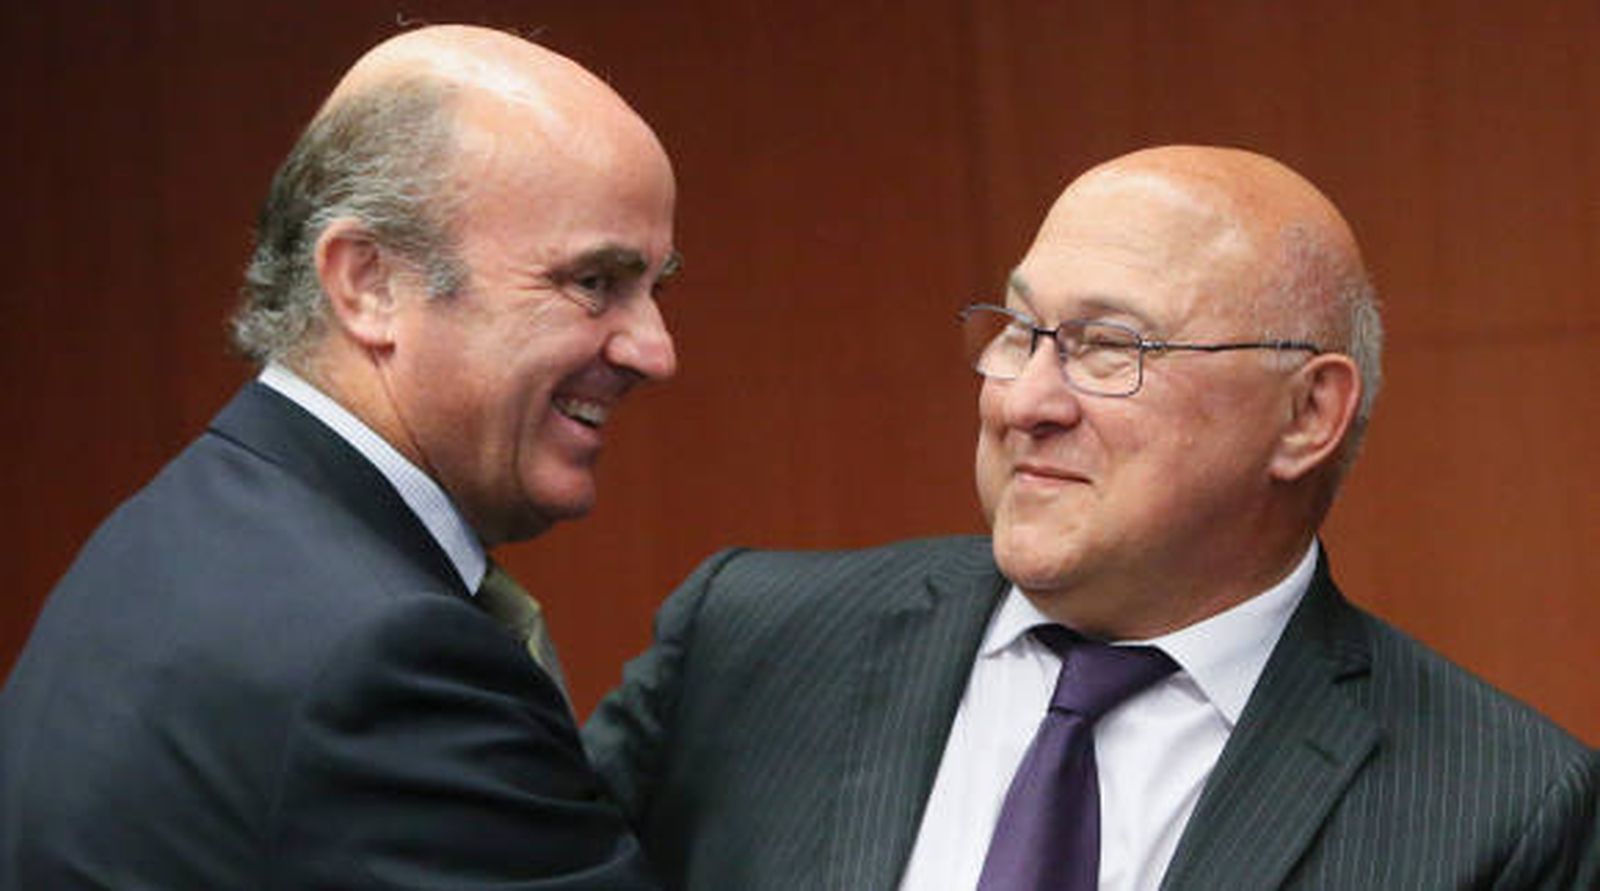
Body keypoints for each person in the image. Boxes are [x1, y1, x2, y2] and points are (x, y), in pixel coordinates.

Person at [584, 146, 1599, 890]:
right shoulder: (750, 644)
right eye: (1019, 332)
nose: (1025, 401)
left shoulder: (1501, 807)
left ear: (1305, 416)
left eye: (1110, 347)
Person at [0, 24, 678, 889]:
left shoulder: (179, 533)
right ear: (369, 282)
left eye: (657, 286)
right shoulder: (385, 656)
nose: (655, 351)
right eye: (593, 283)